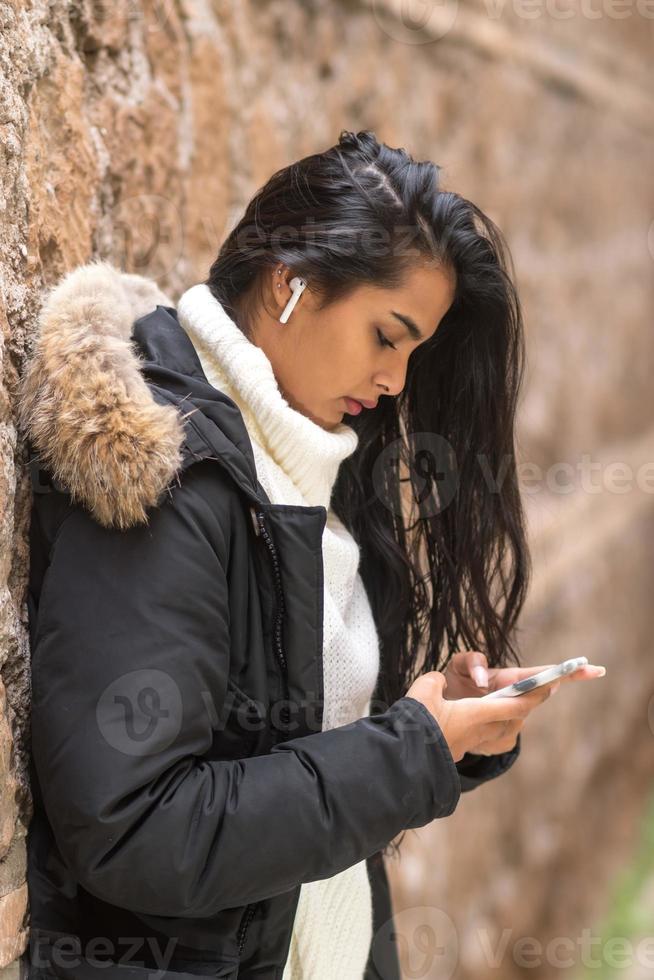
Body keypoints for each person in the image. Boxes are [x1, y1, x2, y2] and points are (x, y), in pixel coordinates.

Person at [17, 130, 604, 980]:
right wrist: (410, 751)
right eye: (387, 336)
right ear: (291, 285)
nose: (398, 381)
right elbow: (136, 832)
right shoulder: (167, 476)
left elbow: (300, 740)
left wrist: (444, 725)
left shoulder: (315, 453)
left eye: (414, 351)